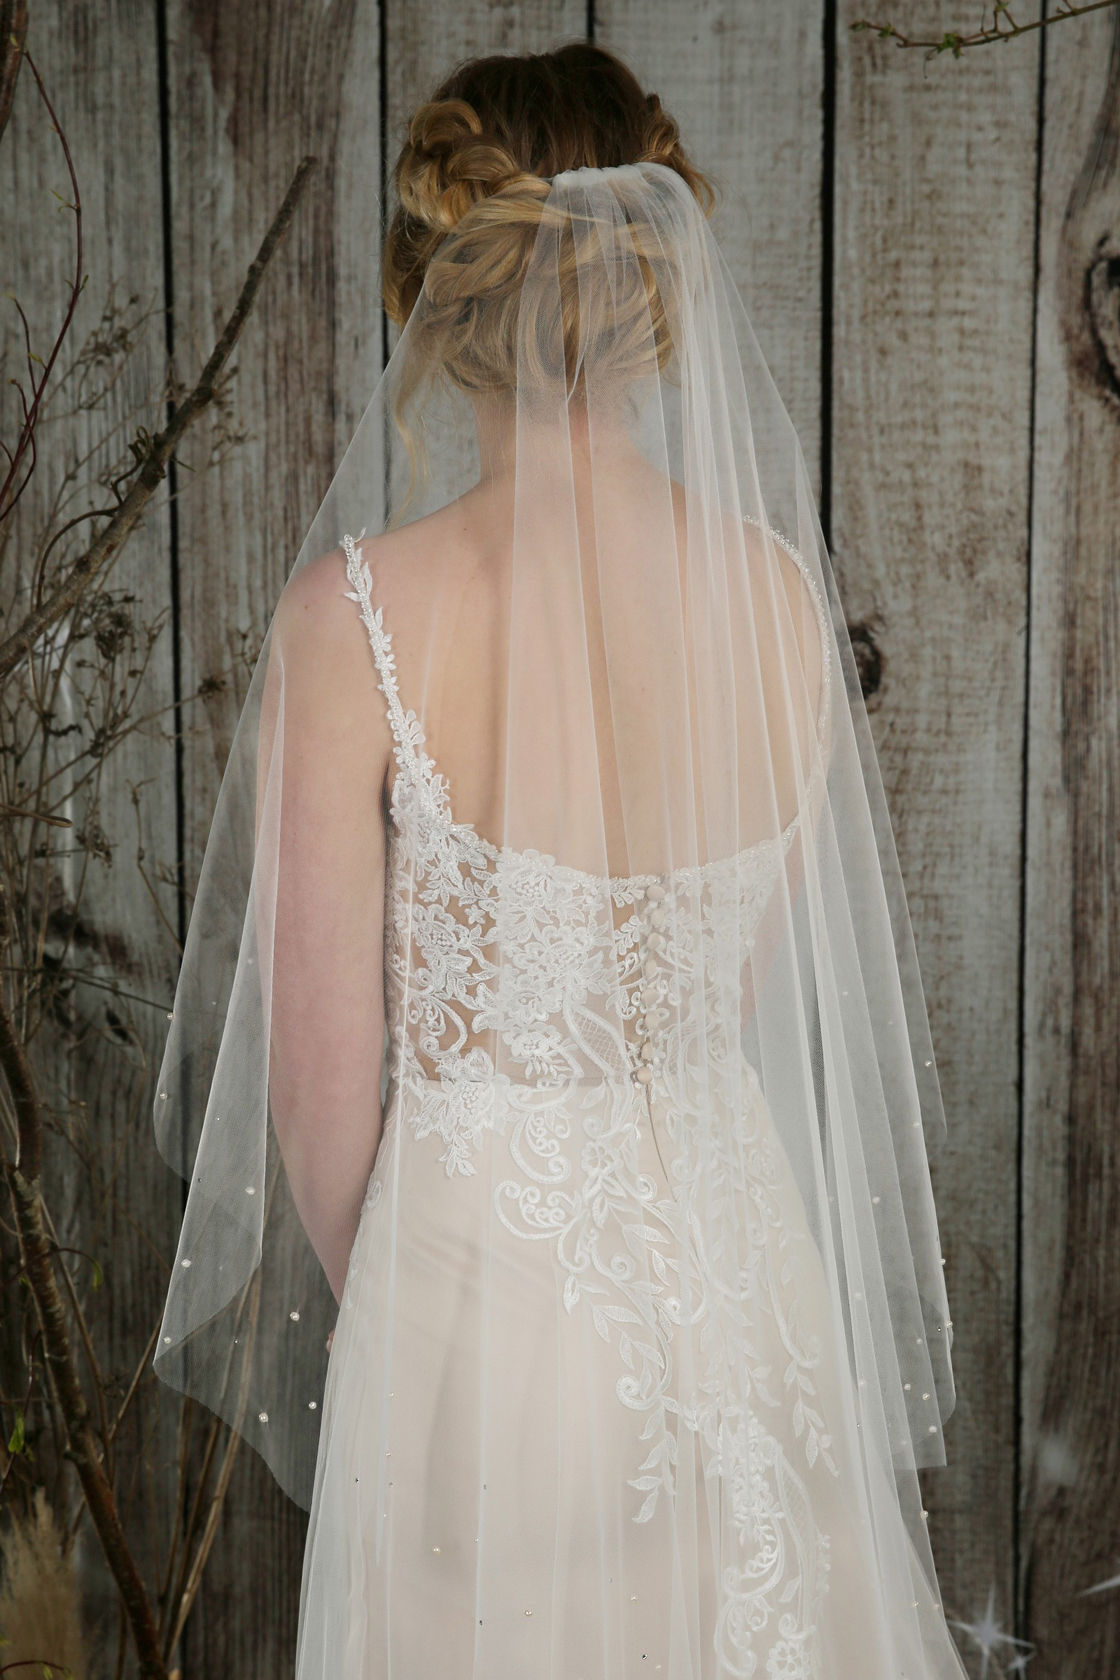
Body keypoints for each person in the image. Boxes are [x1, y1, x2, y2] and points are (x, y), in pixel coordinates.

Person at [152, 40, 970, 1679]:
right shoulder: (784, 611)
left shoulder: (355, 621)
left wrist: (432, 1328)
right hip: (739, 1286)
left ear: (430, 286)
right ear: (663, 279)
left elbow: (320, 1105)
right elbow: (725, 994)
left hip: (477, 1308)